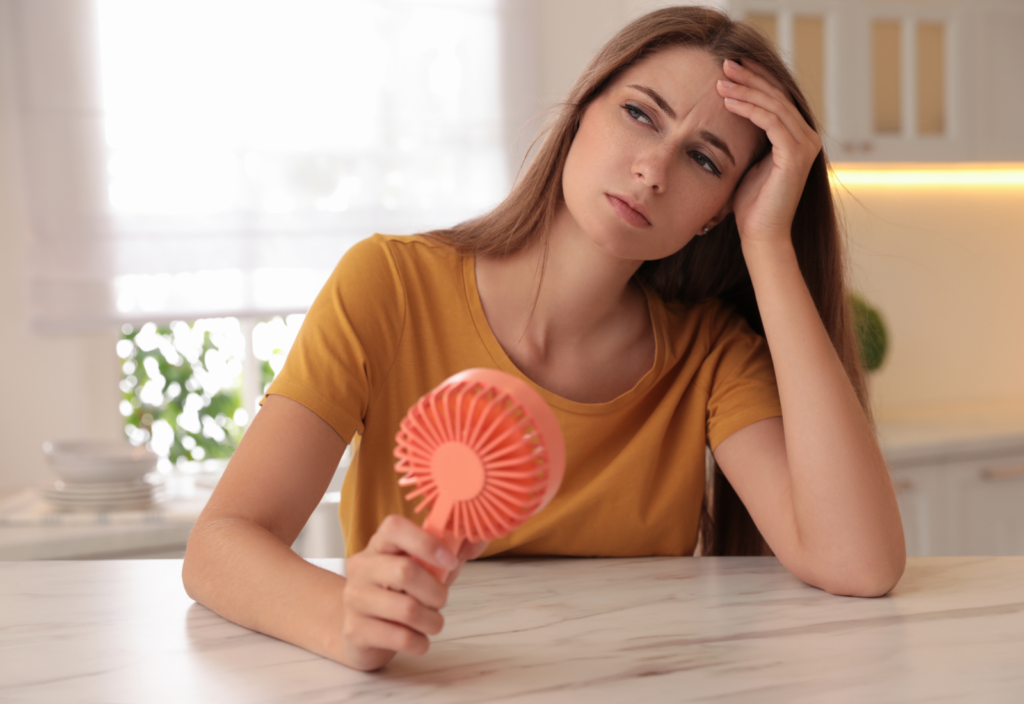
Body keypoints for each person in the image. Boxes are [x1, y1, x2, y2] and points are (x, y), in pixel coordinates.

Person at [182, 5, 906, 672]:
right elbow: (221, 544)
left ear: (719, 212)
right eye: (639, 115)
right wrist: (343, 618)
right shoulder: (390, 285)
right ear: (581, 110)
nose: (653, 169)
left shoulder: (710, 356)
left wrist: (769, 242)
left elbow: (859, 563)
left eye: (706, 160)